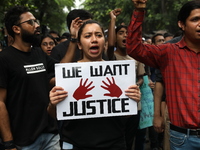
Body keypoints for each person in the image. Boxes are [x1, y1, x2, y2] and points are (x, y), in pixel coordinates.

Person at [48, 20, 141, 150]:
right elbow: (54, 114)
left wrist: (130, 100)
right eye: (88, 36)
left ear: (104, 42)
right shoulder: (67, 75)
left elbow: (126, 115)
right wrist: (53, 103)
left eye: (98, 35)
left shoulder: (118, 73)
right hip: (75, 144)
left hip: (113, 143)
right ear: (79, 44)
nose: (94, 39)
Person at [127, 0, 200, 149]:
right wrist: (139, 10)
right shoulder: (168, 52)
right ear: (181, 24)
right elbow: (134, 48)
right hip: (183, 139)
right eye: (195, 19)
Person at [0, 5, 73, 150]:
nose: (37, 25)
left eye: (36, 21)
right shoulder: (4, 59)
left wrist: (75, 39)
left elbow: (63, 71)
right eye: (31, 22)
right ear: (16, 29)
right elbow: (0, 102)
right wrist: (8, 143)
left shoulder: (39, 54)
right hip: (23, 141)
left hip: (50, 135)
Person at [107, 8, 145, 150]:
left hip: (133, 104)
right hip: (115, 105)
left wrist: (135, 84)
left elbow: (141, 78)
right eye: (121, 33)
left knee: (129, 140)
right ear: (115, 36)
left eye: (127, 33)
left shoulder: (137, 56)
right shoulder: (111, 56)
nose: (125, 35)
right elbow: (110, 45)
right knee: (117, 139)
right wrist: (113, 19)